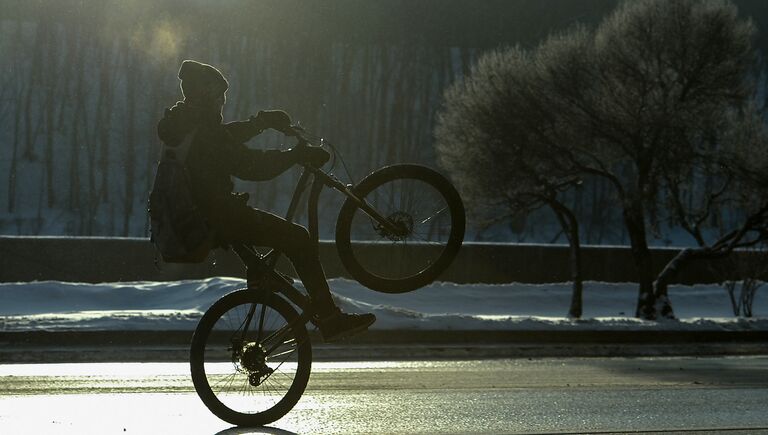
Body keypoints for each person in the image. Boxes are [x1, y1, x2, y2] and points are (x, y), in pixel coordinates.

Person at [157, 59, 375, 342]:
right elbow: (250, 166)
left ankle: (261, 277)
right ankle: (330, 318)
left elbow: (227, 138)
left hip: (199, 218)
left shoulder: (186, 122)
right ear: (206, 94)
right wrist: (296, 155)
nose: (222, 103)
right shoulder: (203, 130)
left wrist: (261, 123)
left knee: (276, 245)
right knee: (298, 239)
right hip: (218, 217)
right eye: (219, 96)